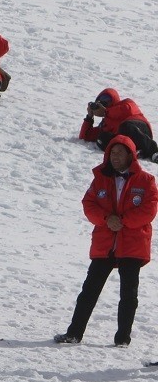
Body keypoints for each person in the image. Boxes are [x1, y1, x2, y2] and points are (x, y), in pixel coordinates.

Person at [54, 136, 157, 347]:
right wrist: (107, 219)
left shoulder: (146, 181)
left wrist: (123, 222)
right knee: (89, 291)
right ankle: (74, 333)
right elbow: (89, 203)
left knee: (128, 295)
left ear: (131, 155)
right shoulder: (100, 178)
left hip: (132, 244)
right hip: (105, 244)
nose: (114, 157)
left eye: (119, 153)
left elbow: (150, 208)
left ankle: (122, 339)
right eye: (112, 153)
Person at [80, 89, 158, 163]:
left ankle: (154, 151)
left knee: (125, 127)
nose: (104, 102)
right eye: (99, 101)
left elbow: (127, 110)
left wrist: (106, 112)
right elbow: (86, 136)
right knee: (102, 138)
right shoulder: (105, 124)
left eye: (107, 99)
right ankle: (132, 151)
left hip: (140, 129)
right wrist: (89, 117)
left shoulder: (126, 103)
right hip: (127, 140)